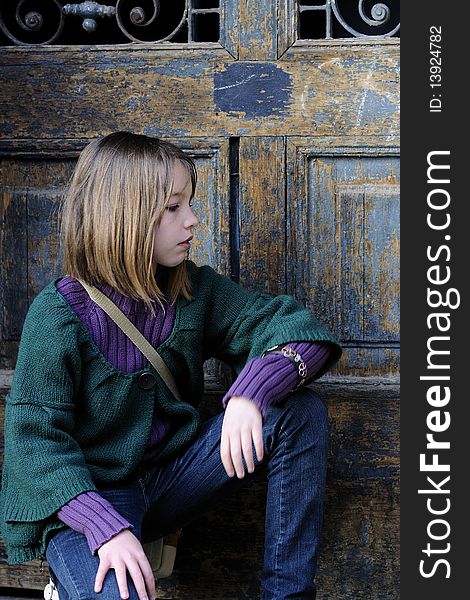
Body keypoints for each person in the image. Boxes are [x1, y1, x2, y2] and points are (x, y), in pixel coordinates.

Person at [0, 132, 341, 600]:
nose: (193, 221)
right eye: (174, 207)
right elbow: (34, 443)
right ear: (126, 214)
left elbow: (303, 332)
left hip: (173, 479)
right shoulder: (58, 314)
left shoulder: (191, 291)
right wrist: (105, 527)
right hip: (88, 502)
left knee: (298, 412)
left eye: (190, 204)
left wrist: (251, 392)